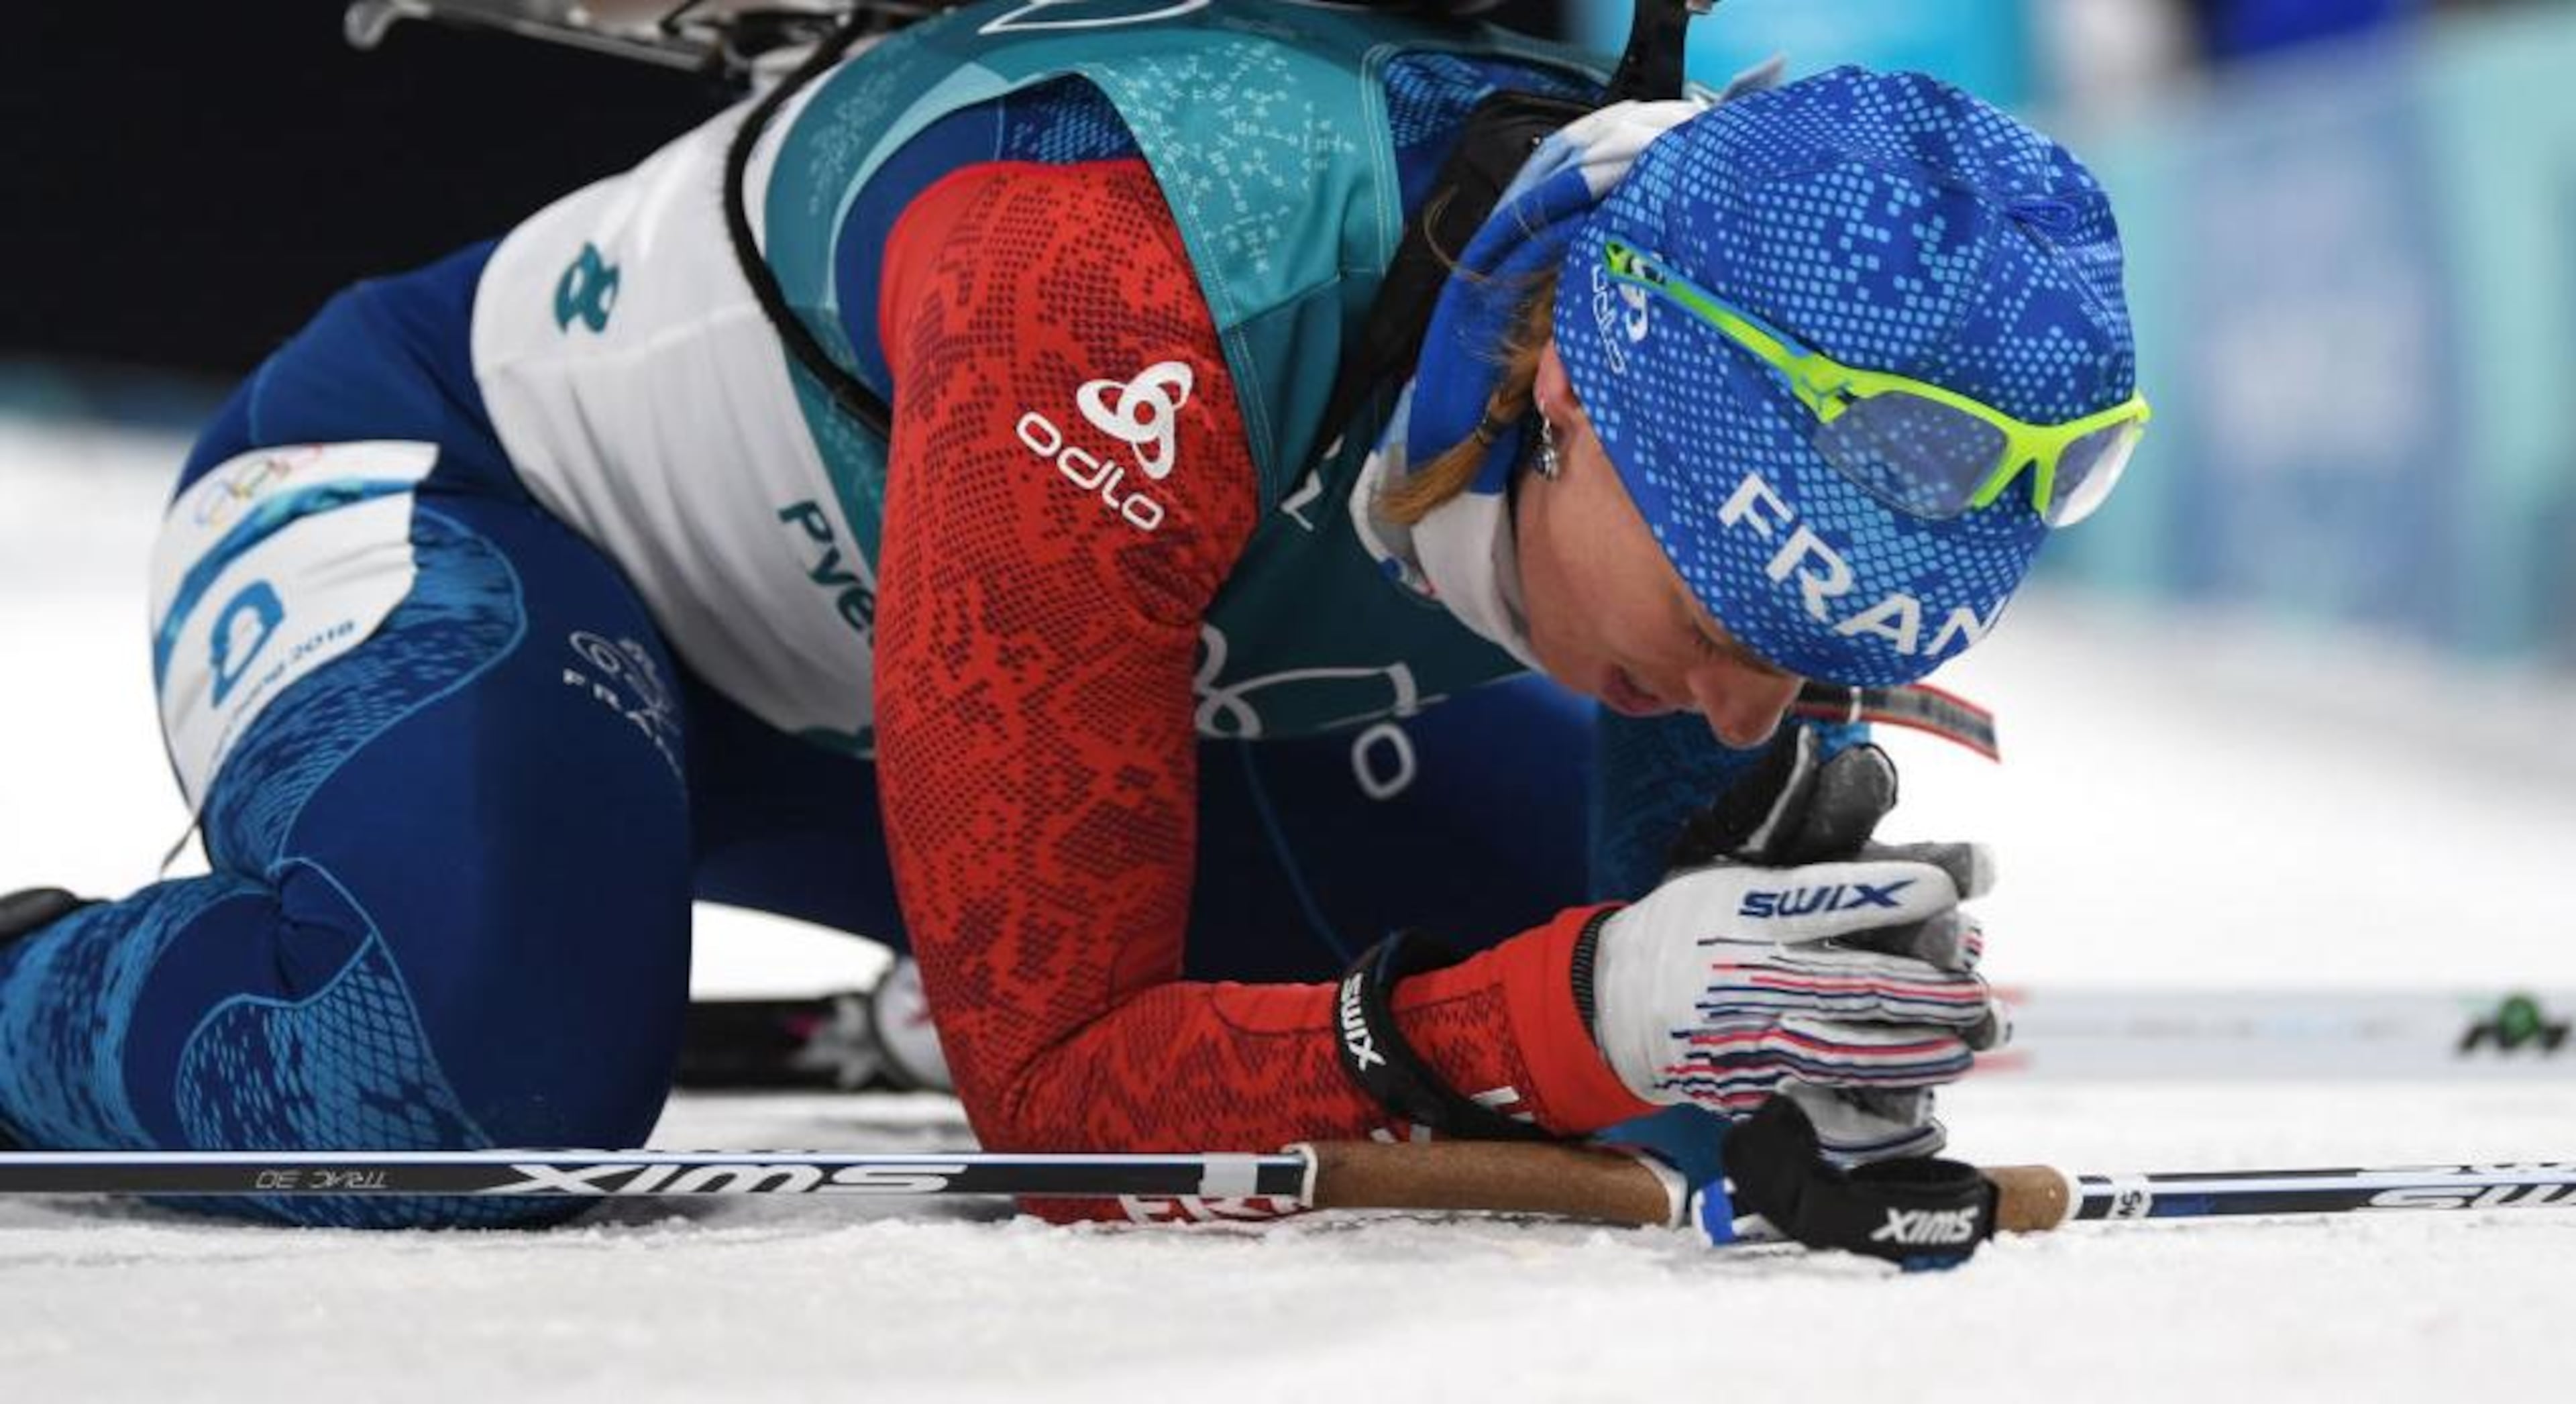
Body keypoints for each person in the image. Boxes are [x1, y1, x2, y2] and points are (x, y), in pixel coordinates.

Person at [0, 0, 2143, 1228]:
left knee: (1576, 1049)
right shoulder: (1103, 288)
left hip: (1000, 652)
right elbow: (1064, 1108)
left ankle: (971, 888)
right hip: (462, 513)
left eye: (1834, 644)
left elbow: (1660, 1030)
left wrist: (1770, 1067)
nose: (1762, 691)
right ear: (1559, 392)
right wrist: (1553, 1012)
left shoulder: (1671, 328)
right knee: (452, 1077)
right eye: (1734, 609)